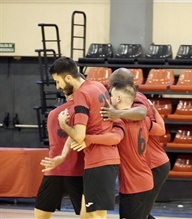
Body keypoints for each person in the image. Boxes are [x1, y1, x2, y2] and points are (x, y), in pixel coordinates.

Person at [41, 56, 120, 219]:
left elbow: (79, 135)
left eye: (58, 81)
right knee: (87, 216)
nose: (58, 86)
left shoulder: (81, 94)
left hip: (99, 161)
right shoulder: (97, 86)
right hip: (103, 159)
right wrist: (63, 156)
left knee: (95, 216)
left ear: (68, 77)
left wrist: (63, 125)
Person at [72, 80, 165, 218]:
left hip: (133, 184)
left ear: (119, 98)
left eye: (111, 95)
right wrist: (154, 110)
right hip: (145, 179)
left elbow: (115, 138)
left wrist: (88, 139)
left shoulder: (119, 121)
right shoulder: (144, 120)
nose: (108, 98)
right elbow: (161, 129)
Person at [100, 68, 170, 219]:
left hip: (150, 167)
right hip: (149, 168)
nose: (108, 90)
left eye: (111, 86)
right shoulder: (138, 114)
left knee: (139, 214)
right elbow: (160, 129)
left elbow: (141, 113)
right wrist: (154, 110)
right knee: (141, 214)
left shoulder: (132, 107)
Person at [34, 94, 85, 219]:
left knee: (40, 215)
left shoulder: (53, 113)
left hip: (54, 169)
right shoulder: (83, 112)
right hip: (78, 171)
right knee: (90, 216)